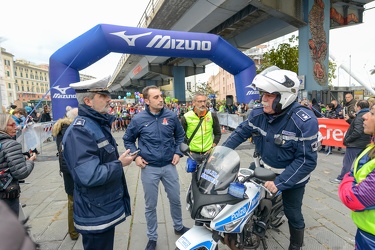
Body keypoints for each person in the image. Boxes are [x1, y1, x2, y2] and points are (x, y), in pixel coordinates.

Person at [222, 66, 319, 250]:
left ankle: (296, 246)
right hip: (262, 166)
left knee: (293, 213)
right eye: (262, 94)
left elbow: (306, 161)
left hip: (291, 176)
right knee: (238, 192)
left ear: (284, 97)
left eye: (269, 95)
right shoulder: (258, 113)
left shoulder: (304, 121)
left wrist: (280, 183)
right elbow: (240, 134)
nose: (263, 100)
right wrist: (220, 154)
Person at [62, 76, 136, 250]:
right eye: (102, 95)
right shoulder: (80, 131)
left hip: (101, 208)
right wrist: (119, 164)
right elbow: (89, 175)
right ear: (88, 101)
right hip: (94, 212)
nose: (108, 99)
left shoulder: (95, 124)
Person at [123, 85, 188, 250]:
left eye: (161, 96)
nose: (161, 100)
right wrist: (136, 157)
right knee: (150, 205)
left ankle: (179, 226)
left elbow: (180, 136)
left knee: (175, 199)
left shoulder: (171, 116)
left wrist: (177, 153)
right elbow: (128, 139)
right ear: (146, 100)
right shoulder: (138, 119)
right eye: (156, 97)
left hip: (169, 166)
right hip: (149, 168)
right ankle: (152, 237)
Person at [338, 103, 375, 249]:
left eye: (372, 113)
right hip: (365, 232)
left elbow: (355, 198)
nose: (365, 116)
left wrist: (346, 182)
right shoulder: (370, 147)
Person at [0, 114, 36, 216]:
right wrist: (30, 161)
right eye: (12, 125)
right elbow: (21, 172)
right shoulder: (11, 144)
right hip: (6, 195)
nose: (16, 127)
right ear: (2, 126)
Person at [52, 107, 79, 240]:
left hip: (67, 169)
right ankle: (74, 231)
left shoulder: (61, 128)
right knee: (74, 201)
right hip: (72, 169)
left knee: (72, 200)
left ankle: (73, 230)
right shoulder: (71, 130)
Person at [330, 100, 371, 184]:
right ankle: (358, 178)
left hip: (355, 144)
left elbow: (358, 131)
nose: (355, 108)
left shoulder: (360, 116)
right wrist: (349, 120)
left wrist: (347, 139)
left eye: (356, 106)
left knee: (347, 162)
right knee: (360, 162)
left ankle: (342, 178)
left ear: (359, 107)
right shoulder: (367, 115)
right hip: (364, 143)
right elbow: (359, 126)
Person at [180, 92, 221, 164]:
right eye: (199, 101)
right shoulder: (186, 117)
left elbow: (217, 133)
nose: (202, 104)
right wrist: (188, 152)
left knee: (209, 174)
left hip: (208, 153)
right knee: (196, 175)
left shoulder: (212, 115)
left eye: (204, 101)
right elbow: (180, 136)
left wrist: (212, 148)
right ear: (194, 103)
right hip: (194, 154)